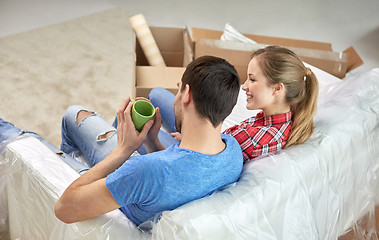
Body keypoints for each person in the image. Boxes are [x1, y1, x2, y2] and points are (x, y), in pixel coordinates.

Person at [53, 55, 243, 226]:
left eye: (178, 90)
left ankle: (66, 165)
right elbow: (178, 171)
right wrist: (151, 142)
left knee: (73, 115)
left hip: (125, 189)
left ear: (187, 94)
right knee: (122, 121)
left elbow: (63, 209)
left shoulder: (143, 169)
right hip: (154, 186)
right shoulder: (233, 151)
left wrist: (123, 149)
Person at [148, 46, 319, 163]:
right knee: (156, 93)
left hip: (198, 150)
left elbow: (206, 159)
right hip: (208, 140)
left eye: (252, 79)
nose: (244, 86)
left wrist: (183, 141)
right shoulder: (284, 119)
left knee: (138, 128)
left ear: (277, 88)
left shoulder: (254, 139)